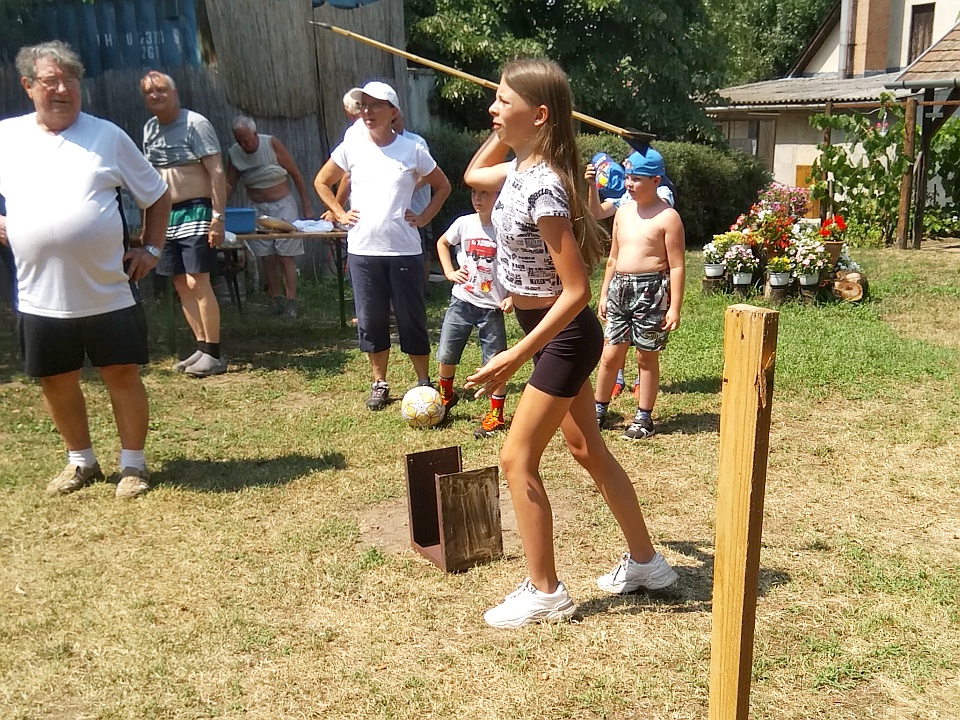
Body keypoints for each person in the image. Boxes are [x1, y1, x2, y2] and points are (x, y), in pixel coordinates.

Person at [462, 59, 677, 629]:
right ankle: (648, 564)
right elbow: (472, 175)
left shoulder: (544, 187)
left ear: (538, 115)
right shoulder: (519, 170)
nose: (491, 109)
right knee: (587, 449)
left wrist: (514, 355)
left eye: (502, 101)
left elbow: (578, 290)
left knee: (516, 458)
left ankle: (545, 592)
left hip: (563, 335)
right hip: (549, 332)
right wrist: (509, 124)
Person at [0, 41, 171, 499]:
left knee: (121, 373)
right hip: (39, 294)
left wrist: (151, 248)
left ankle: (132, 465)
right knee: (56, 380)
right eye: (51, 81)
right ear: (28, 86)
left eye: (70, 80)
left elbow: (156, 195)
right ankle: (81, 461)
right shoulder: (7, 137)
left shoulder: (107, 136)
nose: (62, 89)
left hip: (107, 289)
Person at [314, 81, 451, 410]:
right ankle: (379, 383)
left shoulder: (412, 149)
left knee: (410, 317)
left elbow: (442, 185)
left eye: (375, 105)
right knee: (371, 319)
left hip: (404, 249)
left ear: (393, 112)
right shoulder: (352, 147)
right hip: (363, 250)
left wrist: (423, 216)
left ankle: (423, 381)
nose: (367, 111)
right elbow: (322, 181)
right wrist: (339, 213)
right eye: (364, 105)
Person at [593, 148, 685, 439]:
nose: (629, 184)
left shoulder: (668, 218)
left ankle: (644, 417)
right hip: (620, 289)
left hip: (651, 292)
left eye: (636, 179)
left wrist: (674, 307)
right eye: (628, 178)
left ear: (656, 180)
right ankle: (598, 409)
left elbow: (677, 266)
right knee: (610, 355)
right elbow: (613, 257)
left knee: (646, 357)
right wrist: (604, 293)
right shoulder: (623, 212)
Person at [141, 70, 227, 377]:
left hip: (196, 211)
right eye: (149, 92)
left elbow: (217, 172)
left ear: (174, 93)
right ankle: (201, 347)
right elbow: (149, 178)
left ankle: (214, 353)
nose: (155, 96)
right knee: (179, 283)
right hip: (166, 214)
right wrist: (147, 223)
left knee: (196, 280)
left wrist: (217, 217)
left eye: (161, 90)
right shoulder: (150, 129)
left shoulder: (196, 124)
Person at [435, 186, 513, 438]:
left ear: (499, 196)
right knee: (446, 353)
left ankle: (496, 415)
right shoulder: (464, 223)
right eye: (474, 193)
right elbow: (442, 243)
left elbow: (517, 263)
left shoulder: (505, 228)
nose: (477, 199)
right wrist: (449, 271)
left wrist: (512, 296)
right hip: (462, 301)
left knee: (495, 362)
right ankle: (446, 396)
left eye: (485, 193)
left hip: (492, 307)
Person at [225, 116, 313, 318]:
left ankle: (291, 302)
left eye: (246, 140)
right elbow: (230, 184)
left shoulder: (270, 144)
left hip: (283, 206)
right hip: (257, 209)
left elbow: (295, 173)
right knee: (266, 256)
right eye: (239, 141)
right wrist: (218, 205)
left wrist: (306, 205)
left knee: (285, 255)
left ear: (254, 134)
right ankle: (276, 299)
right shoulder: (235, 154)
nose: (243, 145)